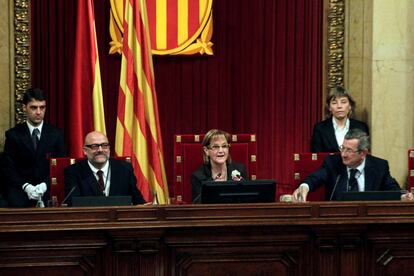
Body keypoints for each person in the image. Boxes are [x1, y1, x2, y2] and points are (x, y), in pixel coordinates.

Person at [293, 129, 400, 201]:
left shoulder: (379, 166)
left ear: (363, 153)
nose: (343, 154)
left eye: (349, 150)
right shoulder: (332, 162)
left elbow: (393, 190)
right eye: (342, 148)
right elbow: (315, 178)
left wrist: (404, 196)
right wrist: (304, 187)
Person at [2, 88, 66, 207]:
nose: (38, 112)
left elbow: (60, 165)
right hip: (20, 193)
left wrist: (45, 185)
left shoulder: (56, 134)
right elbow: (8, 168)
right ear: (24, 108)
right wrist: (26, 186)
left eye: (42, 107)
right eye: (33, 107)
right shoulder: (13, 135)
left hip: (49, 192)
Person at [64, 131, 145, 206]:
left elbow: (137, 201)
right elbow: (73, 204)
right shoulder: (73, 172)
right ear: (85, 151)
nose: (100, 150)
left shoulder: (124, 169)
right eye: (94, 146)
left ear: (109, 148)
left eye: (104, 146)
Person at [191, 129, 247, 203]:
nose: (221, 151)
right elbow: (196, 205)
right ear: (206, 150)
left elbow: (248, 200)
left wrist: (241, 186)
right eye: (216, 147)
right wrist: (212, 189)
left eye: (224, 146)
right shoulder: (198, 176)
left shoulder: (240, 170)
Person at [311, 86, 369, 152]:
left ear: (350, 106)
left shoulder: (361, 127)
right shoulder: (320, 129)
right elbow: (317, 156)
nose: (339, 106)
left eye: (343, 102)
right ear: (329, 107)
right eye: (334, 103)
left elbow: (364, 154)